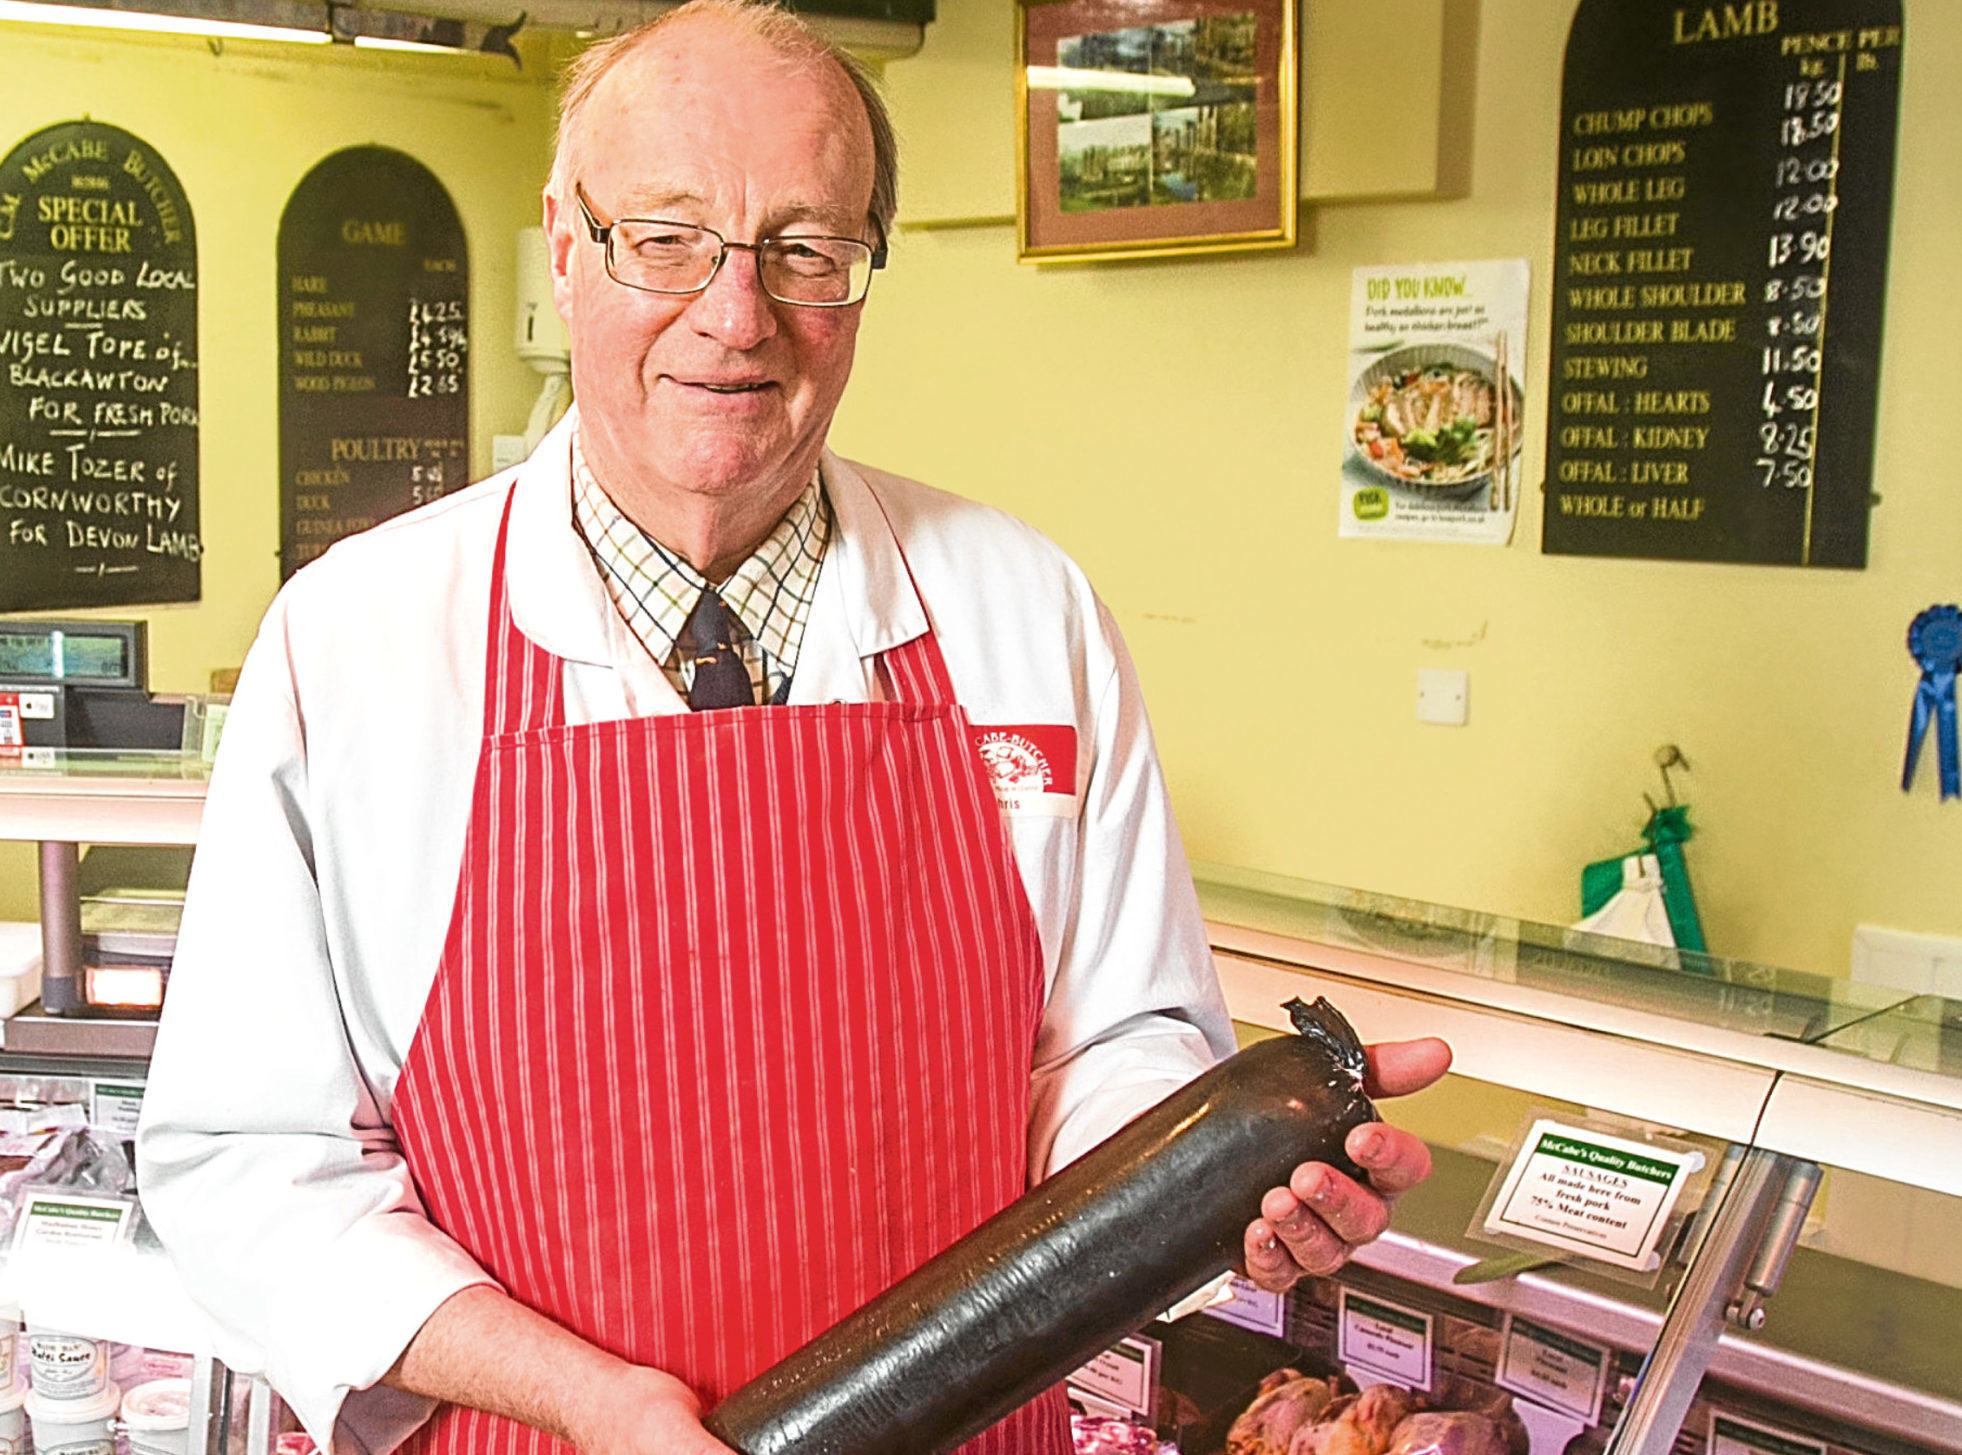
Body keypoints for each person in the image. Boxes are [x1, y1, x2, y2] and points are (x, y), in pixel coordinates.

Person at [137, 6, 1450, 1455]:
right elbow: (250, 1165)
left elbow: (1113, 1044)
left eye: (806, 250)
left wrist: (1214, 1189)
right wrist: (591, 1397)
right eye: (668, 237)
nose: (735, 314)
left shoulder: (1025, 606)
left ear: (864, 277)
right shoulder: (360, 639)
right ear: (565, 250)